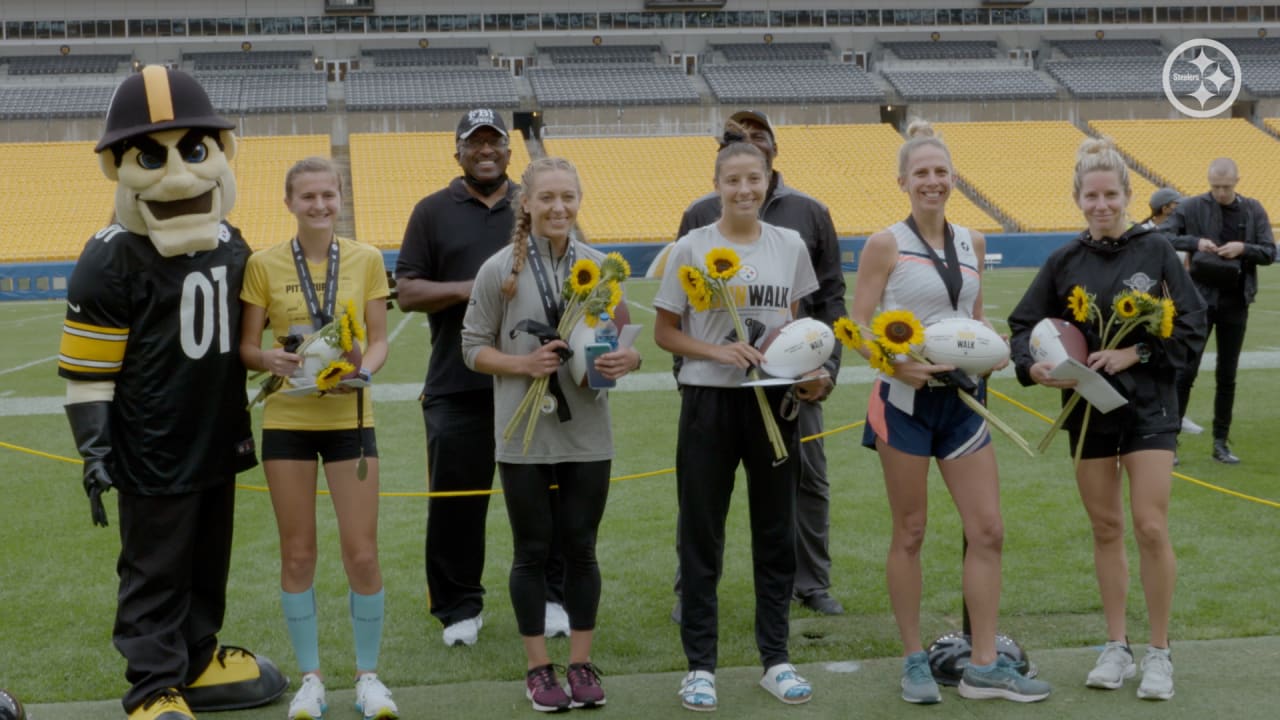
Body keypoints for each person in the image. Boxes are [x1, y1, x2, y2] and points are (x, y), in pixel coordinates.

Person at [59, 66, 286, 720]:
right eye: (150, 156)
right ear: (117, 165)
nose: (180, 175)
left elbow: (252, 324)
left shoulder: (231, 241)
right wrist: (94, 449)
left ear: (219, 151)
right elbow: (86, 369)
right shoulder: (111, 256)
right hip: (152, 441)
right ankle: (152, 683)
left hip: (218, 428)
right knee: (156, 566)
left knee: (209, 555)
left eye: (192, 151)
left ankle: (196, 654)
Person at [850, 120, 1051, 705]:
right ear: (903, 181)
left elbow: (975, 316)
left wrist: (988, 353)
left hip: (963, 405)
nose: (932, 181)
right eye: (922, 173)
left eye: (941, 172)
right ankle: (914, 661)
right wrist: (894, 366)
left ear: (953, 178)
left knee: (987, 529)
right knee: (910, 532)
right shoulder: (885, 243)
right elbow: (857, 326)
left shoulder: (974, 242)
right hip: (905, 404)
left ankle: (984, 664)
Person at [1008, 137, 1206, 702]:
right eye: (1090, 196)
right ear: (1078, 198)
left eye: (1110, 194)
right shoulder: (1064, 260)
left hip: (1150, 406)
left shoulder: (1158, 251)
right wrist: (1035, 366)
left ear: (1126, 195)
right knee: (1106, 528)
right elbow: (1023, 326)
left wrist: (1134, 354)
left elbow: (1191, 323)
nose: (1101, 204)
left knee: (1148, 524)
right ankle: (1115, 646)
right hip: (1090, 409)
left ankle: (1160, 653)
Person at [461, 157, 641, 712]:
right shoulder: (500, 270)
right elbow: (471, 347)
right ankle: (539, 670)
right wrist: (524, 365)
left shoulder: (602, 268)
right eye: (548, 198)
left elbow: (625, 337)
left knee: (582, 550)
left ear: (579, 201)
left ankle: (581, 663)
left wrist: (626, 360)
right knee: (532, 552)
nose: (559, 207)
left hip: (588, 430)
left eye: (568, 197)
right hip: (522, 435)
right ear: (529, 204)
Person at [655, 141, 820, 712]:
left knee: (776, 534)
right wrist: (714, 352)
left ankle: (775, 659)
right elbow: (665, 333)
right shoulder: (691, 247)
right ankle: (700, 667)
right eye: (733, 180)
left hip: (773, 406)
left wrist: (807, 371)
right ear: (717, 184)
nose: (744, 190)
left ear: (769, 180)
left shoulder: (791, 245)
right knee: (701, 535)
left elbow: (795, 325)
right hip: (707, 403)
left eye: (754, 179)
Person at [395, 108, 567, 648]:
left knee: (544, 501)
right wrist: (477, 287)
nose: (486, 150)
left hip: (532, 383)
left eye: (495, 142)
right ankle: (457, 608)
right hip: (456, 383)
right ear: (459, 151)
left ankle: (552, 597)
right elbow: (407, 292)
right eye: (476, 143)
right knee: (456, 504)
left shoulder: (536, 203)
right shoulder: (431, 211)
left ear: (510, 153)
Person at [669, 110, 847, 621]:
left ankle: (810, 583)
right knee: (702, 490)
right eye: (736, 139)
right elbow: (680, 304)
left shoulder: (810, 214)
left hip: (794, 380)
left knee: (807, 480)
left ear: (774, 149)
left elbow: (829, 298)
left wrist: (825, 368)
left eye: (758, 136)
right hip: (716, 385)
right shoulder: (700, 214)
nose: (748, 143)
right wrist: (692, 371)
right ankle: (693, 589)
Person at [239, 157, 396, 720]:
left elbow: (378, 340)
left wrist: (364, 371)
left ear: (339, 199)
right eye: (308, 197)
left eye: (328, 195)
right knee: (299, 553)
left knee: (362, 553)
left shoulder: (367, 259)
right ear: (289, 203)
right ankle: (311, 680)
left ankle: (368, 677)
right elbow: (247, 348)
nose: (320, 206)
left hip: (351, 418)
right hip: (287, 422)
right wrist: (269, 358)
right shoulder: (262, 264)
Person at [1159, 158, 1276, 464]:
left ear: (1237, 180)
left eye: (1226, 186)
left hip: (1236, 302)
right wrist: (1196, 242)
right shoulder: (1192, 206)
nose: (1221, 192)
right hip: (1198, 302)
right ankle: (1170, 442)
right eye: (1215, 187)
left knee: (1228, 375)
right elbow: (1163, 235)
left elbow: (1270, 251)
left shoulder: (1253, 210)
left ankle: (1221, 443)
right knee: (1186, 372)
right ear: (1208, 182)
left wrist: (1242, 248)